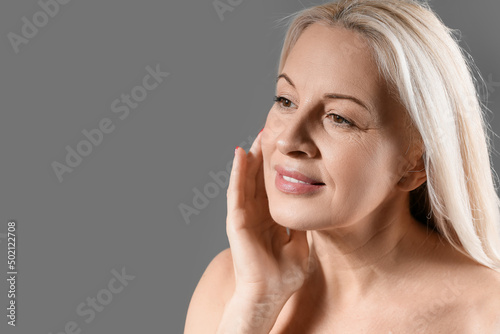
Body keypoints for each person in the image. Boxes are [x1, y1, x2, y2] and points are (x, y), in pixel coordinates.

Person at [184, 0, 500, 332]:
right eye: (285, 100)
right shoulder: (229, 286)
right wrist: (255, 306)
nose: (288, 141)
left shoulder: (487, 315)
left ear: (414, 164)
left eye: (340, 118)